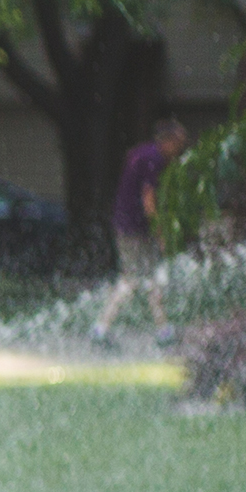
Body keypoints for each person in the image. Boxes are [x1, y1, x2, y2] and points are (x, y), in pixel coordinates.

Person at [96, 116, 192, 344]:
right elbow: (149, 198)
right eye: (179, 144)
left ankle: (162, 329)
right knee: (135, 280)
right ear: (167, 141)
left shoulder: (141, 152)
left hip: (126, 223)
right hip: (135, 228)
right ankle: (101, 329)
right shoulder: (155, 159)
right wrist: (160, 232)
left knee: (147, 278)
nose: (180, 150)